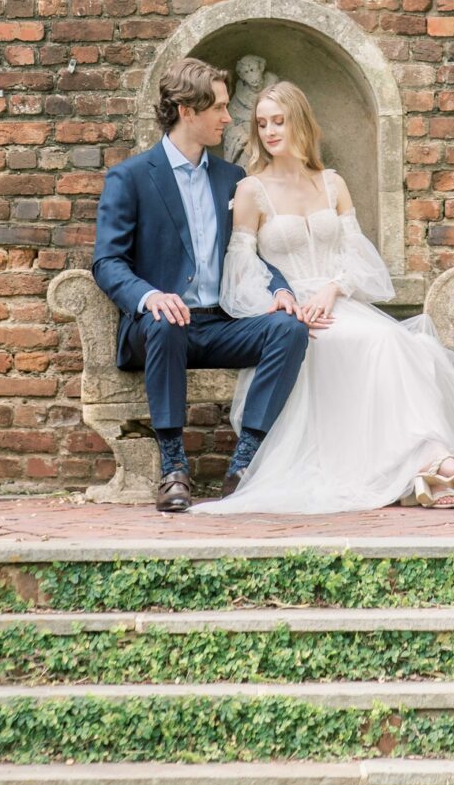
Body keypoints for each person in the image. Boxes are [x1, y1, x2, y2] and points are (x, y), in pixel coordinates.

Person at [193, 79, 454, 516]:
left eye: (279, 121)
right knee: (367, 343)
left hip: (337, 299)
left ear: (300, 121)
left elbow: (358, 255)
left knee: (398, 343)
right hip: (293, 313)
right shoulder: (251, 189)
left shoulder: (332, 183)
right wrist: (277, 305)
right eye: (262, 124)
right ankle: (427, 470)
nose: (270, 131)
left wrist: (335, 288)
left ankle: (431, 464)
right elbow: (240, 268)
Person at [92, 56, 313, 512]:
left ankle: (244, 465)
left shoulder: (232, 178)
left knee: (289, 329)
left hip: (222, 322)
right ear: (187, 110)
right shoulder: (130, 177)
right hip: (156, 329)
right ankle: (173, 467)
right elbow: (108, 262)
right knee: (167, 320)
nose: (228, 118)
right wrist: (149, 296)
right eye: (218, 108)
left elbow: (252, 251)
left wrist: (279, 289)